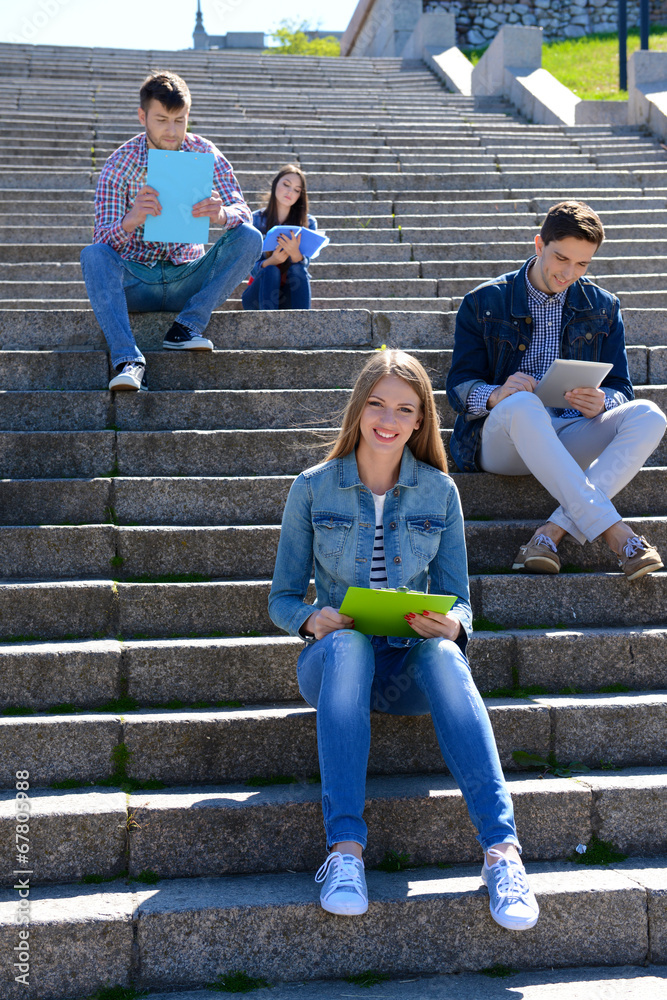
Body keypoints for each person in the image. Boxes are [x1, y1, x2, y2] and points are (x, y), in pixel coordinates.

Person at [268, 350, 539, 931]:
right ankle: (345, 853)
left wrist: (454, 625)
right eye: (377, 404)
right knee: (348, 645)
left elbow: (458, 597)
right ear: (359, 408)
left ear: (421, 421)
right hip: (333, 664)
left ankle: (502, 854)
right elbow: (282, 598)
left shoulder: (440, 492)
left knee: (443, 651)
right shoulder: (313, 487)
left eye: (405, 409)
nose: (388, 419)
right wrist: (312, 621)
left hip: (407, 665)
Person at [446, 200, 666, 580]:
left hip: (569, 431)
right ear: (538, 245)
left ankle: (552, 532)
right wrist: (497, 394)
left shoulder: (603, 307)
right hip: (502, 440)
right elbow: (459, 386)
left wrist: (603, 402)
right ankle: (617, 534)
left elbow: (620, 387)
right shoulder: (484, 302)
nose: (569, 273)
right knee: (524, 404)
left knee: (649, 415)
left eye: (582, 264)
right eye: (561, 258)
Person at [80, 70, 262, 391]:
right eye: (162, 120)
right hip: (137, 281)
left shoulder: (205, 153)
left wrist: (221, 213)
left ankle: (186, 327)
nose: (171, 130)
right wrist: (132, 219)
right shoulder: (119, 163)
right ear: (142, 116)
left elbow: (242, 212)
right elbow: (102, 243)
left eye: (179, 120)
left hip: (185, 279)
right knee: (93, 255)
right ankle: (128, 360)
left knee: (250, 236)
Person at [242, 164, 317, 311]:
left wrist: (296, 254)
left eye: (296, 190)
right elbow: (249, 268)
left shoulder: (308, 223)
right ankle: (267, 323)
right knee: (271, 270)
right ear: (276, 183)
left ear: (300, 196)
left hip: (289, 295)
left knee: (299, 269)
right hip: (257, 295)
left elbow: (304, 267)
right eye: (286, 184)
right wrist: (272, 261)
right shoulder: (255, 220)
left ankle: (304, 322)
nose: (290, 192)